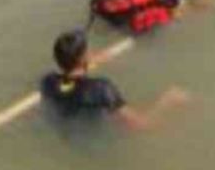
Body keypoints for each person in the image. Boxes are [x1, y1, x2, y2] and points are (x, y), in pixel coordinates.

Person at [40, 30, 189, 129]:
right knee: (177, 97)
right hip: (96, 143)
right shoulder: (102, 89)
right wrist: (167, 101)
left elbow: (71, 79)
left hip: (72, 132)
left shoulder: (48, 81)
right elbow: (139, 125)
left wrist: (90, 60)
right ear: (83, 57)